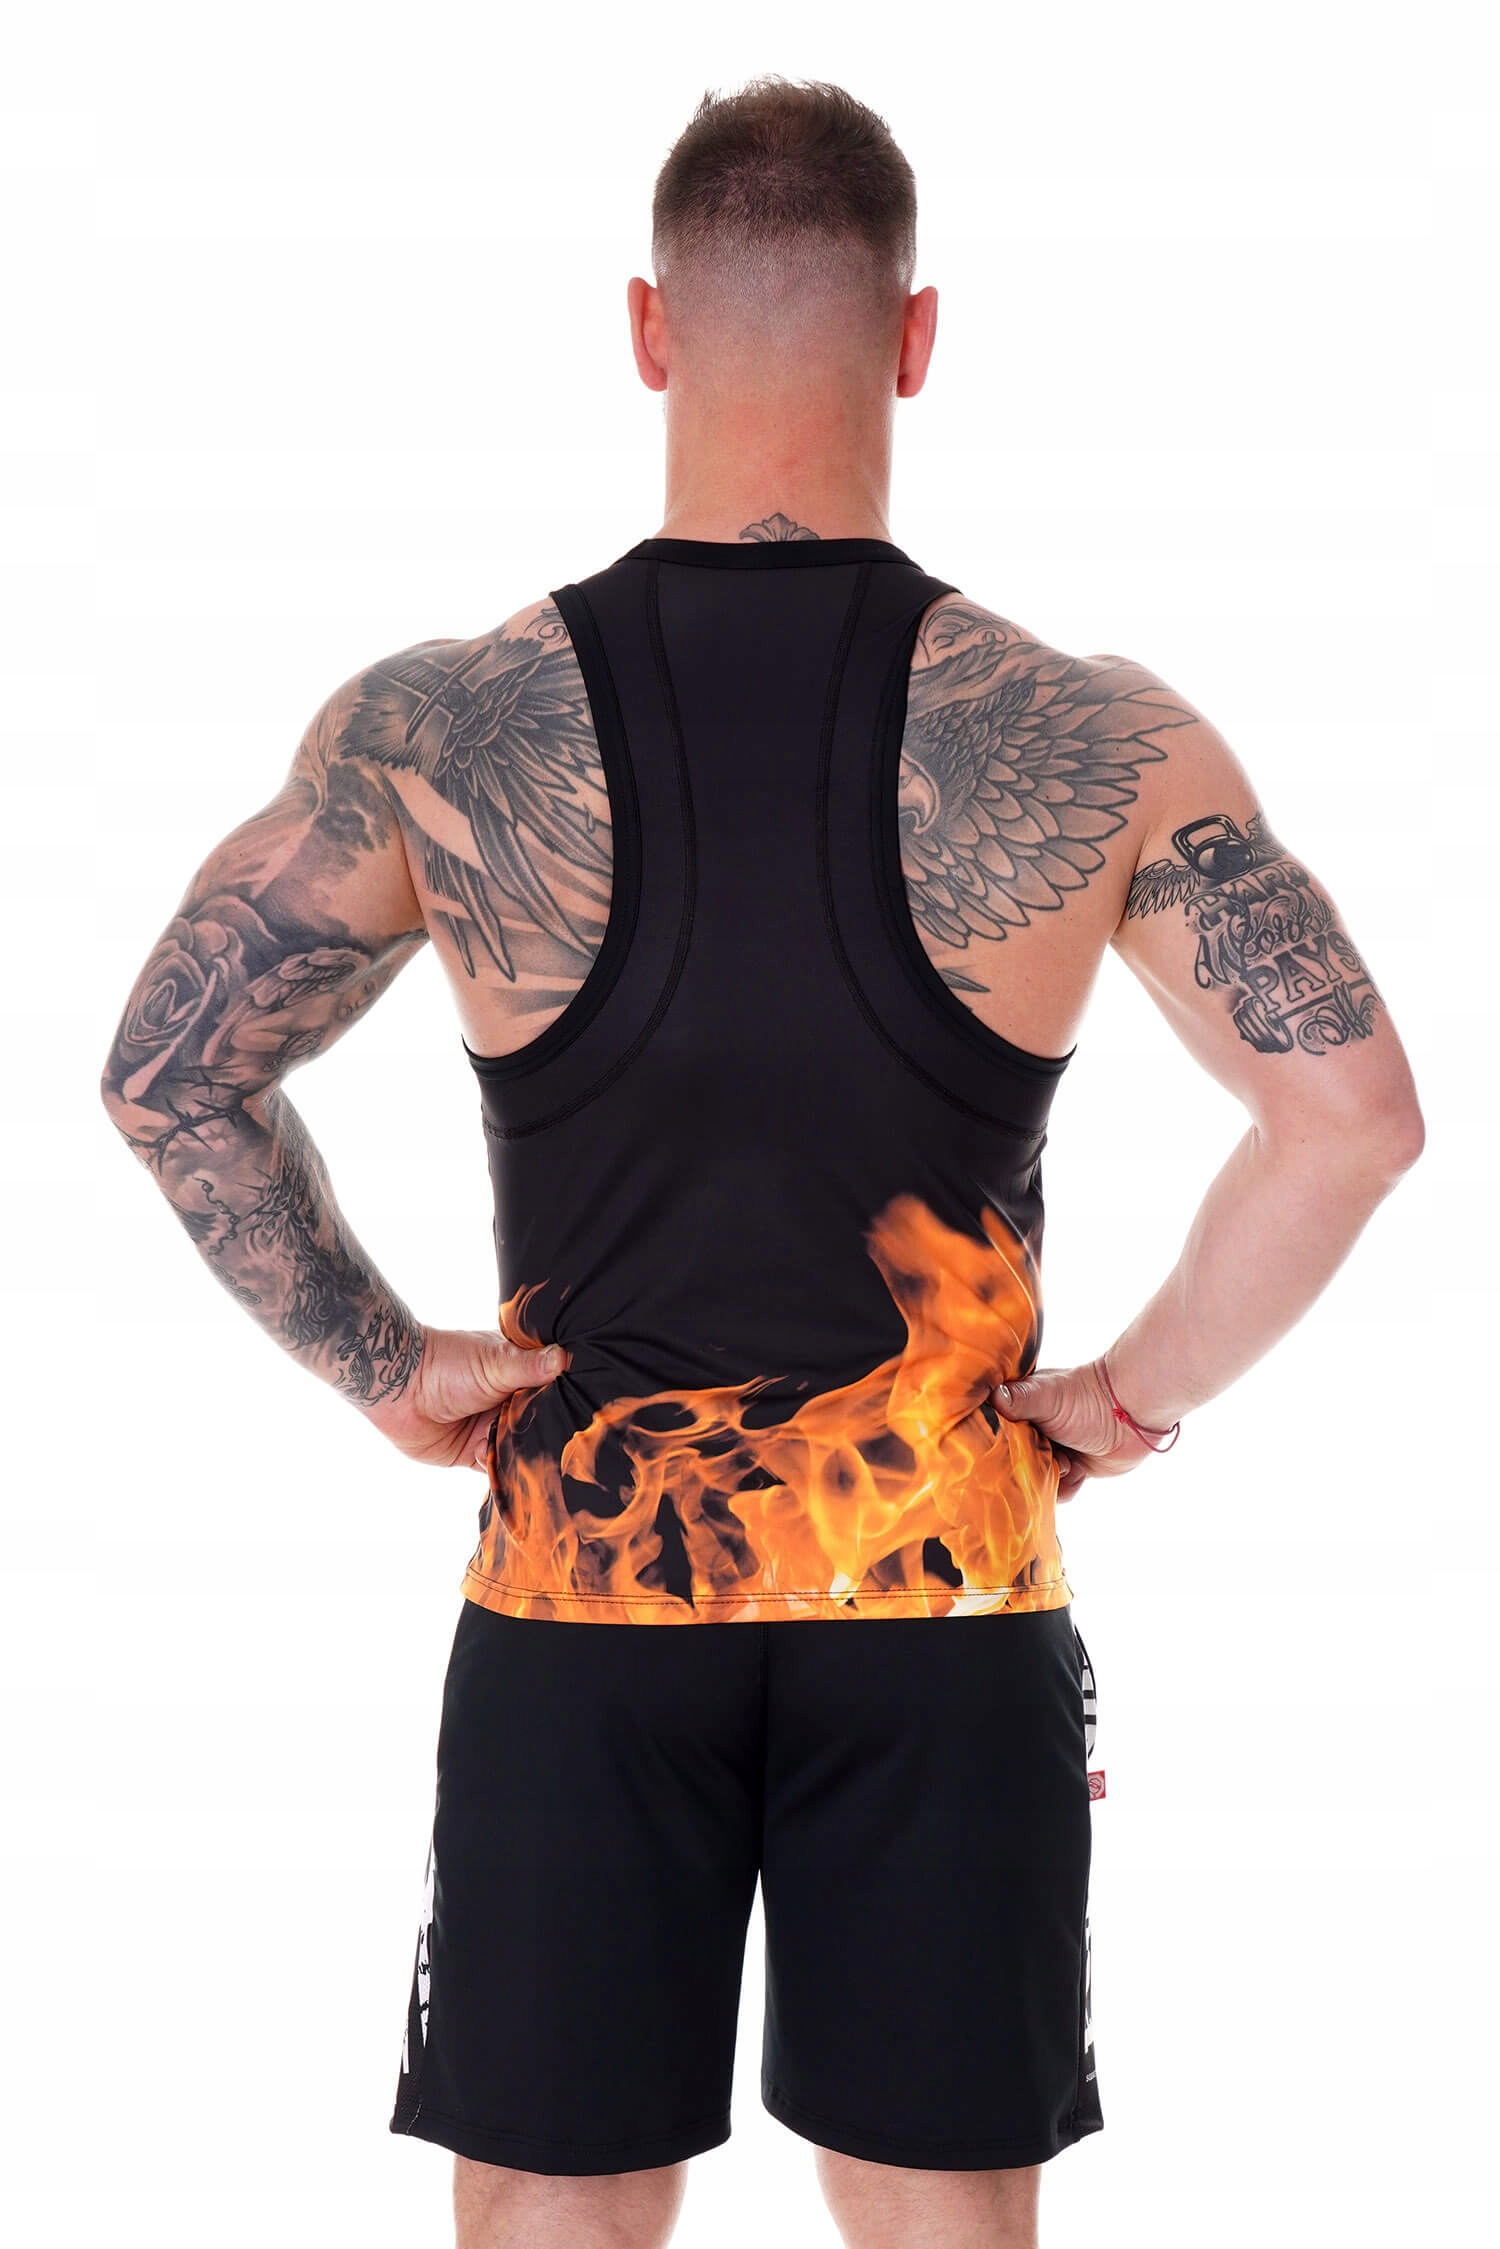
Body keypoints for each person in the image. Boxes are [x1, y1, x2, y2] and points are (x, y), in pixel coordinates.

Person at [100, 75, 1424, 2249]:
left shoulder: (442, 731)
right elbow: (1352, 1117)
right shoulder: (1099, 736)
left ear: (649, 327)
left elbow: (169, 1074)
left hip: (588, 1591)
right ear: (918, 337)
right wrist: (1121, 1397)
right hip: (943, 1590)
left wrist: (386, 1363)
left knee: (552, 2212)